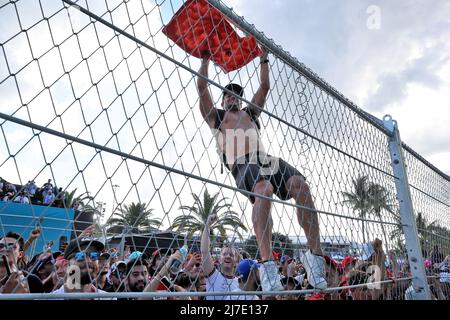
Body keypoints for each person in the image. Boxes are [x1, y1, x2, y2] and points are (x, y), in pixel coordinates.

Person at [196, 48, 326, 292]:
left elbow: (264, 87)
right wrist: (205, 59)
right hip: (242, 163)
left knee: (301, 185)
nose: (232, 98)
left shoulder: (250, 113)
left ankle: (315, 257)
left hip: (265, 159)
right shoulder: (218, 118)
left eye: (236, 95)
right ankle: (267, 265)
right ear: (223, 99)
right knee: (264, 189)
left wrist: (263, 56)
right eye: (228, 95)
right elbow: (202, 89)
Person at [201, 214, 240, 300]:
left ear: (236, 260)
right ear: (219, 259)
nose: (228, 256)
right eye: (225, 254)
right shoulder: (213, 275)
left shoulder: (240, 284)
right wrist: (207, 225)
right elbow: (204, 251)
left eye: (231, 255)